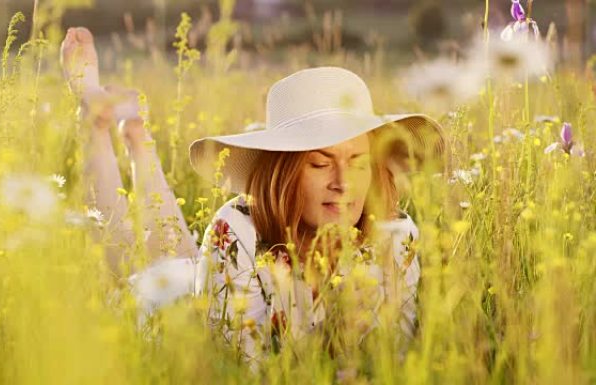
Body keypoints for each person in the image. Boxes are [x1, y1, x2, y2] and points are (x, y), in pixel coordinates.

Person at [60, 27, 446, 363]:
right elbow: (242, 368)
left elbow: (393, 358)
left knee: (175, 250)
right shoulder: (235, 227)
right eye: (319, 163)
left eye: (358, 162)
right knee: (127, 254)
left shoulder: (397, 236)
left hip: (205, 281)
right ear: (284, 172)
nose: (343, 183)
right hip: (170, 315)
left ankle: (136, 134)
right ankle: (95, 111)